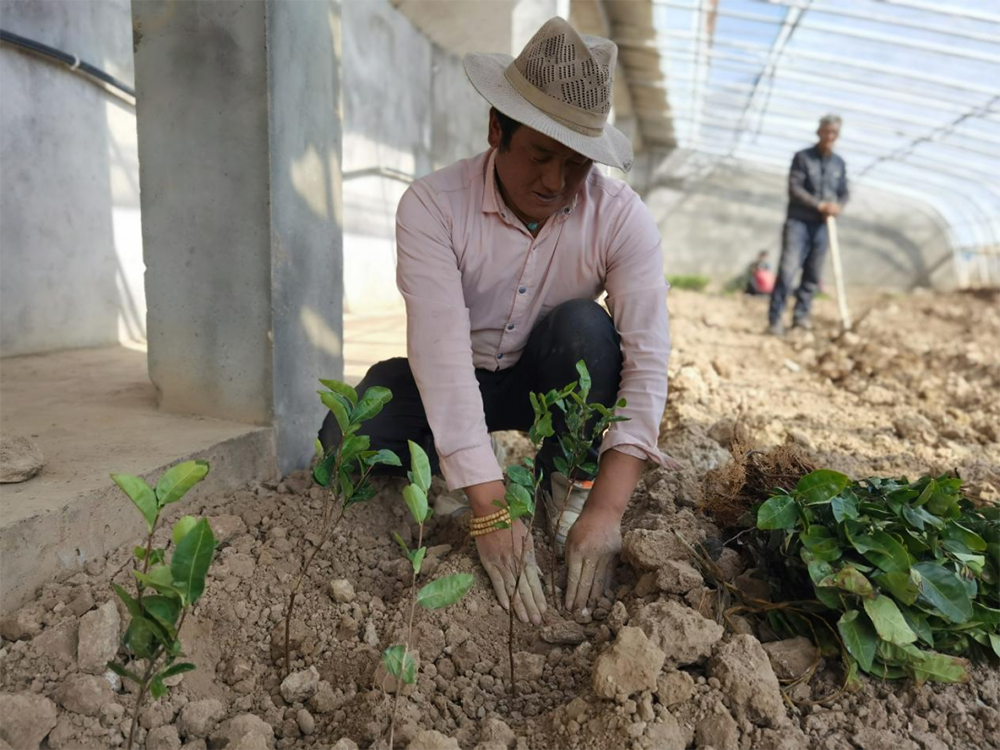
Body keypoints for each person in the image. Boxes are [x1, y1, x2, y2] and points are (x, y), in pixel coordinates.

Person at [319, 17, 671, 624]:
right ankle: (443, 480)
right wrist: (486, 506)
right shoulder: (433, 207)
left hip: (546, 376)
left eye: (578, 163)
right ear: (495, 129)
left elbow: (647, 359)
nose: (556, 181)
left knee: (586, 329)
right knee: (342, 445)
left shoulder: (620, 218)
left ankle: (567, 478)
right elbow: (442, 356)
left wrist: (609, 512)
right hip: (461, 379)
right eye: (540, 154)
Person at [768, 115, 849, 335]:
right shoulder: (803, 158)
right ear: (819, 132)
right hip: (798, 222)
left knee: (812, 275)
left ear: (837, 135)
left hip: (823, 227)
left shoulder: (839, 164)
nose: (829, 136)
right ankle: (775, 319)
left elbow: (844, 192)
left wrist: (838, 206)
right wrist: (820, 205)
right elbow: (794, 188)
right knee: (788, 270)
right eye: (826, 131)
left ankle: (801, 318)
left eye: (833, 133)